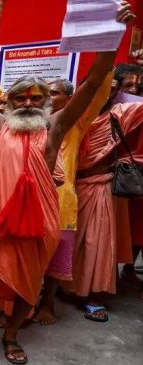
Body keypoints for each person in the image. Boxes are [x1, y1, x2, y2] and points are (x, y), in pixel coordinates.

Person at [0, 0, 134, 364]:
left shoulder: (55, 127)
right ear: (10, 103)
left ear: (46, 102)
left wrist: (113, 35)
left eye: (36, 97)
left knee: (28, 282)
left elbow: (95, 80)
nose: (29, 103)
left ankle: (13, 334)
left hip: (39, 222)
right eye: (21, 98)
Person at [66, 67, 143, 321]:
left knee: (96, 243)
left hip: (100, 187)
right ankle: (65, 287)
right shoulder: (71, 116)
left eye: (110, 89)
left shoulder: (120, 114)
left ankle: (94, 294)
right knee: (69, 242)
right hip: (68, 187)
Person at [34, 76, 113, 325]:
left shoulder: (76, 123)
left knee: (58, 255)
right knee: (28, 254)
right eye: (45, 93)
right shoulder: (33, 120)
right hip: (30, 201)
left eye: (54, 93)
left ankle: (47, 303)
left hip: (62, 202)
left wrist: (106, 51)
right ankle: (21, 302)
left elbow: (96, 93)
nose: (48, 97)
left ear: (70, 99)